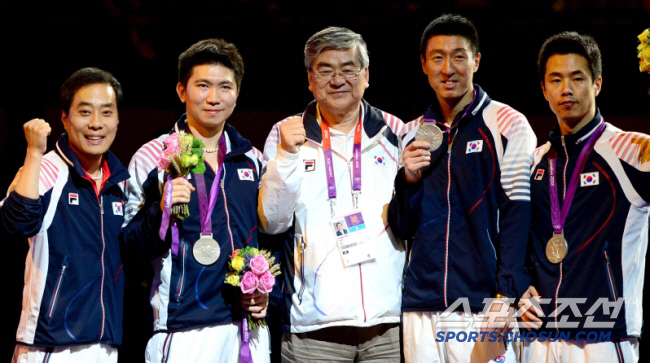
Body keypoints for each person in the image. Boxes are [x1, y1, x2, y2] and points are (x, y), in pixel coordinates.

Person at [387, 14, 537, 363]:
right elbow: (402, 228)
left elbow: (518, 213)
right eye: (437, 57)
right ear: (423, 64)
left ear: (477, 61)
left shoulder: (507, 124)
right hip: (420, 307)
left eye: (459, 56)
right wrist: (407, 181)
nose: (447, 68)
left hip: (483, 305)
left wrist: (506, 293)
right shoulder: (410, 133)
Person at [258, 26, 405, 362]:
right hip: (314, 328)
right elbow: (272, 221)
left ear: (366, 75)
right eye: (325, 70)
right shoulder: (287, 135)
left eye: (349, 68)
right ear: (310, 79)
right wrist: (285, 156)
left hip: (388, 325)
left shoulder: (395, 132)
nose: (337, 79)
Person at [119, 38, 270, 363]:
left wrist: (267, 292)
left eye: (224, 87)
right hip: (182, 329)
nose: (214, 98)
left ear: (237, 92)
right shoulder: (152, 157)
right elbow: (127, 250)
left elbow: (273, 237)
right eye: (203, 85)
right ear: (181, 91)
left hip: (249, 329)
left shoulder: (253, 160)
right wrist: (160, 212)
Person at [518, 31, 645, 363]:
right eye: (556, 80)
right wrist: (520, 283)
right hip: (540, 339)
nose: (566, 89)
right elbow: (520, 239)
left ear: (598, 84)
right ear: (544, 89)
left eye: (577, 78)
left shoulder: (630, 151)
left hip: (604, 336)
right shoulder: (536, 160)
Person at [0, 68, 128, 362]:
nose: (96, 124)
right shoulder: (47, 168)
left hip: (105, 344)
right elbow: (17, 222)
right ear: (64, 118)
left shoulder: (121, 182)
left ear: (118, 119)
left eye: (106, 113)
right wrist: (33, 152)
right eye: (85, 112)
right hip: (50, 344)